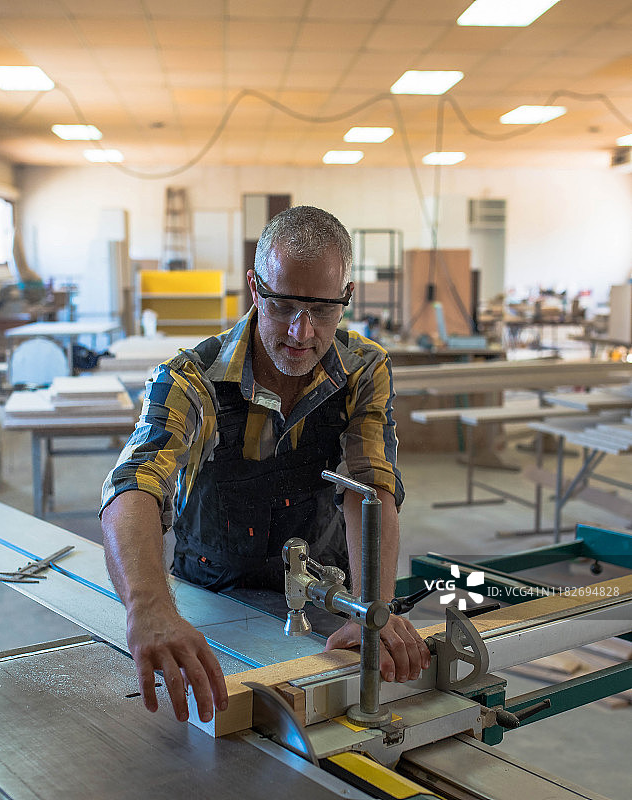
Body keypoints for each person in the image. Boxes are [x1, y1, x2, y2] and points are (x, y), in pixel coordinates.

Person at [100, 205, 430, 725]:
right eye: (284, 306)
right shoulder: (192, 379)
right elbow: (134, 487)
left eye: (322, 310)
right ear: (255, 287)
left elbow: (370, 486)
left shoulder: (365, 369)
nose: (302, 332)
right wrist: (149, 606)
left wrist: (372, 607)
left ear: (346, 296)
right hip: (206, 602)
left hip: (323, 598)